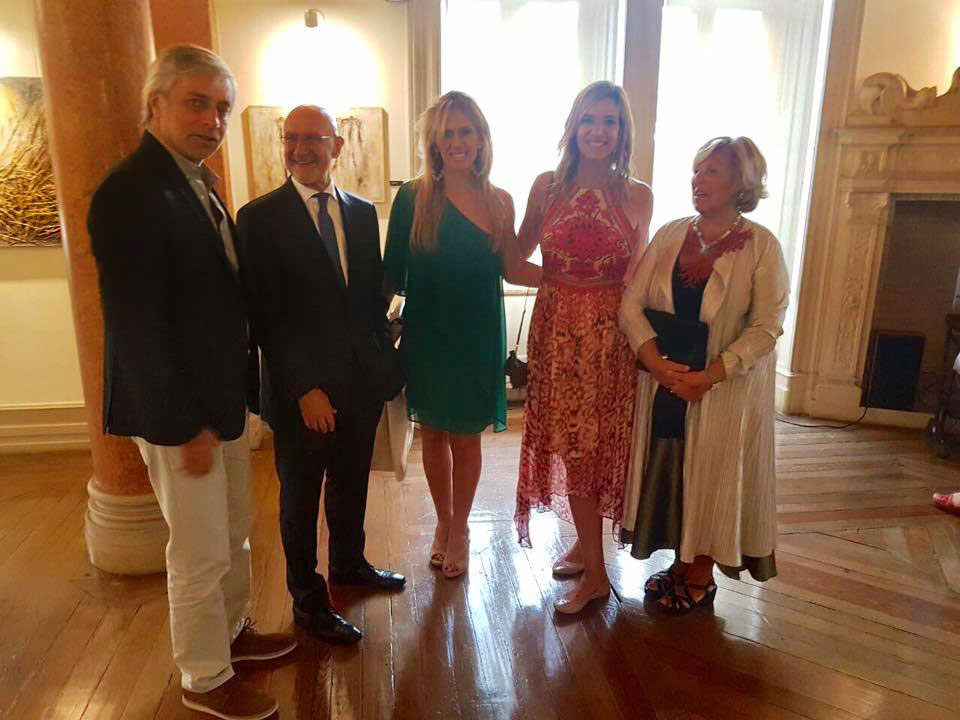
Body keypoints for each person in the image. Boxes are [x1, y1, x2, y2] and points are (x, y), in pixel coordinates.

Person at [88, 45, 295, 720]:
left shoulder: (198, 183)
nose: (213, 120)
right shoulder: (131, 192)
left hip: (220, 402)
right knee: (199, 550)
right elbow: (136, 325)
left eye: (222, 108)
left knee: (232, 533)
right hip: (180, 415)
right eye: (197, 103)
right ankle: (204, 678)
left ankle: (230, 636)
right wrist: (184, 426)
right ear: (156, 105)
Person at [238, 105, 406, 646]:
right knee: (301, 496)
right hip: (301, 392)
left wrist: (382, 360)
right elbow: (265, 316)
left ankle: (349, 564)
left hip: (359, 383)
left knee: (351, 481)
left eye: (313, 138)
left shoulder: (360, 213)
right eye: (291, 138)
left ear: (337, 145)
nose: (300, 149)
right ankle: (308, 602)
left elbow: (366, 300)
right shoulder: (259, 218)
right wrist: (304, 388)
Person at [618, 136, 789, 614]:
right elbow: (631, 302)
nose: (698, 179)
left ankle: (700, 574)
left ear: (741, 181)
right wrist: (654, 361)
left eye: (711, 171)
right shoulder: (671, 234)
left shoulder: (762, 246)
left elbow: (767, 325)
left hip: (722, 391)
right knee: (675, 469)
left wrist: (712, 374)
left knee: (713, 476)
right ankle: (681, 560)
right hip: (664, 380)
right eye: (697, 170)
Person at [383, 91, 540, 579]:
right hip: (428, 333)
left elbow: (514, 267)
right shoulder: (412, 197)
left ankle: (462, 528)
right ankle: (444, 522)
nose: (456, 141)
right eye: (447, 133)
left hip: (476, 335)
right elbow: (390, 273)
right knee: (433, 433)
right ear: (434, 142)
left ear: (481, 138)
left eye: (465, 131)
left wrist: (577, 276)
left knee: (467, 438)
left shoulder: (500, 201)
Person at [512, 81, 652, 614]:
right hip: (558, 334)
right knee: (574, 447)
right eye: (589, 119)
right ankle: (589, 557)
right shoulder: (546, 187)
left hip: (610, 339)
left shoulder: (639, 195)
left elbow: (638, 275)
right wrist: (561, 280)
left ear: (622, 131)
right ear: (573, 126)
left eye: (609, 121)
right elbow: (514, 260)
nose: (598, 131)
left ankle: (593, 572)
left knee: (595, 450)